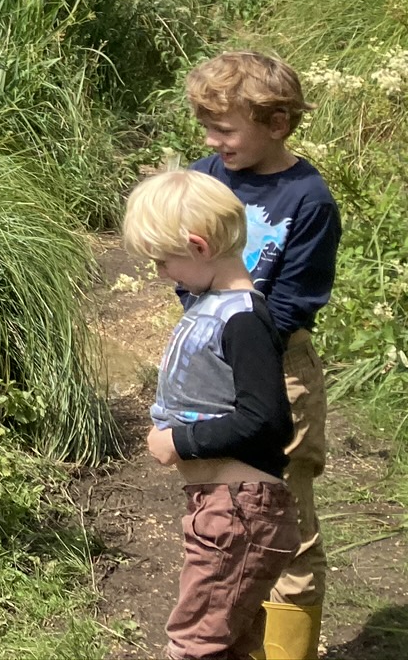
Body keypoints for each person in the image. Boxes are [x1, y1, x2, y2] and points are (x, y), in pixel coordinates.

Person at [185, 51, 339, 660]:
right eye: (206, 126)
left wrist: (238, 328)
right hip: (211, 367)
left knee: (288, 522)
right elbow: (182, 263)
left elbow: (297, 299)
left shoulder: (309, 199)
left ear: (276, 124)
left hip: (279, 370)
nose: (211, 140)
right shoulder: (206, 177)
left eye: (224, 129)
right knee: (225, 514)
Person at [125, 168, 297, 660]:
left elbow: (266, 420)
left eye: (164, 260)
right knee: (232, 644)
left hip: (239, 510)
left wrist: (179, 442)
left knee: (196, 644)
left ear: (199, 247)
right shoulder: (214, 305)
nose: (161, 272)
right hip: (226, 508)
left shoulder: (242, 318)